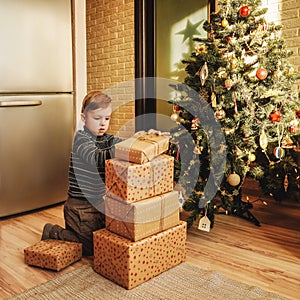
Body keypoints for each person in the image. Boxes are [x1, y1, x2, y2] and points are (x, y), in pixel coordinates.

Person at [41, 91, 122, 256]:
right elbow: (97, 157)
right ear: (84, 118)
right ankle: (53, 231)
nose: (103, 124)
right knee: (88, 248)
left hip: (98, 203)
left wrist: (142, 139)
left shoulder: (107, 139)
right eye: (97, 118)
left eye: (107, 119)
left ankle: (80, 233)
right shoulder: (81, 139)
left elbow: (124, 144)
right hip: (79, 207)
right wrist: (121, 150)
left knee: (104, 239)